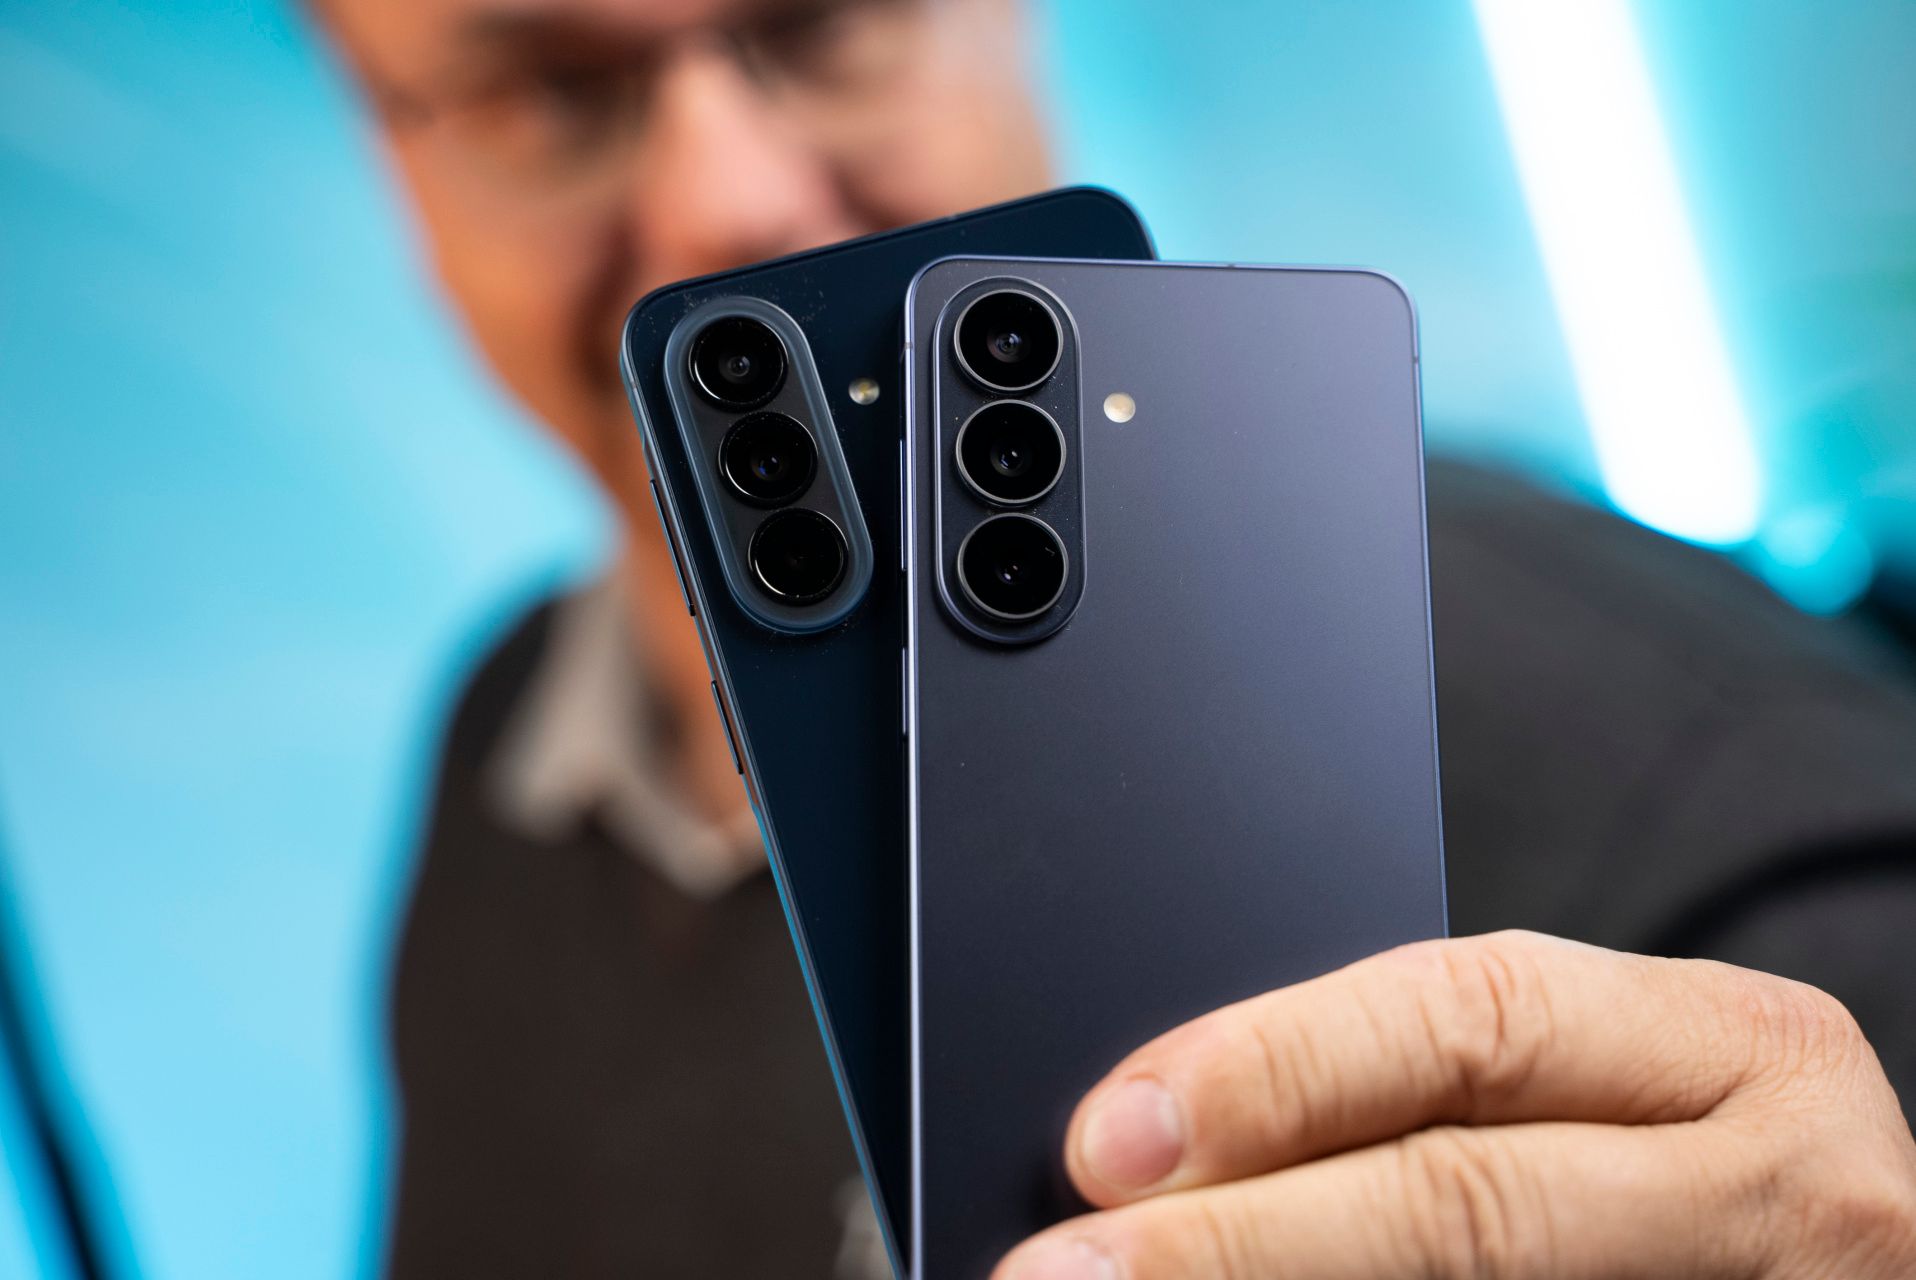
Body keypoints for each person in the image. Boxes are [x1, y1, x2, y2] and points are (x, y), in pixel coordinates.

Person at [307, 0, 1916, 1275]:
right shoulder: (499, 738)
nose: (731, 198)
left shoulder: (1685, 737)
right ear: (389, 154)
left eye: (824, 20)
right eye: (545, 95)